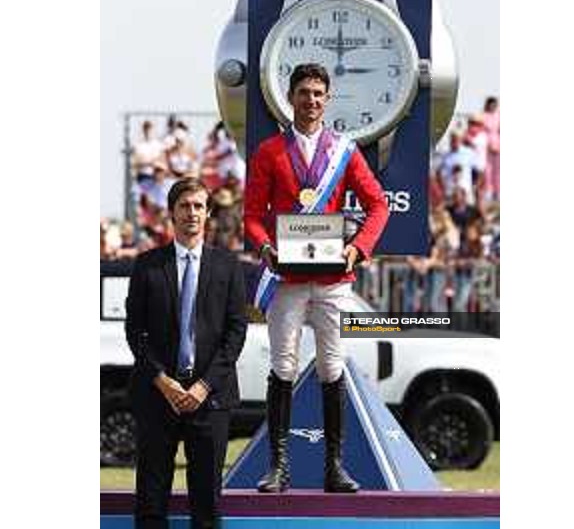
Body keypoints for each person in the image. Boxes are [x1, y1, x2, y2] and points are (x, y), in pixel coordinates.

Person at [244, 63, 390, 493]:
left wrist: (357, 248)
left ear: (328, 100)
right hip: (287, 276)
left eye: (318, 93)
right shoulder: (270, 151)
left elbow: (378, 205)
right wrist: (266, 247)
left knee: (332, 365)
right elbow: (252, 216)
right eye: (303, 92)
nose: (311, 100)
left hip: (331, 277)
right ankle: (278, 467)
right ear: (290, 98)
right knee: (282, 365)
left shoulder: (344, 150)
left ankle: (334, 466)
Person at [125, 177, 247, 529]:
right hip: (157, 396)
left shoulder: (228, 266)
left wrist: (203, 386)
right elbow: (135, 331)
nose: (191, 213)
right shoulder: (147, 265)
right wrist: (162, 380)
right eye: (184, 206)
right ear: (171, 214)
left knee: (206, 505)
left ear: (208, 213)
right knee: (151, 502)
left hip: (210, 400)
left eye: (198, 206)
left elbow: (235, 333)